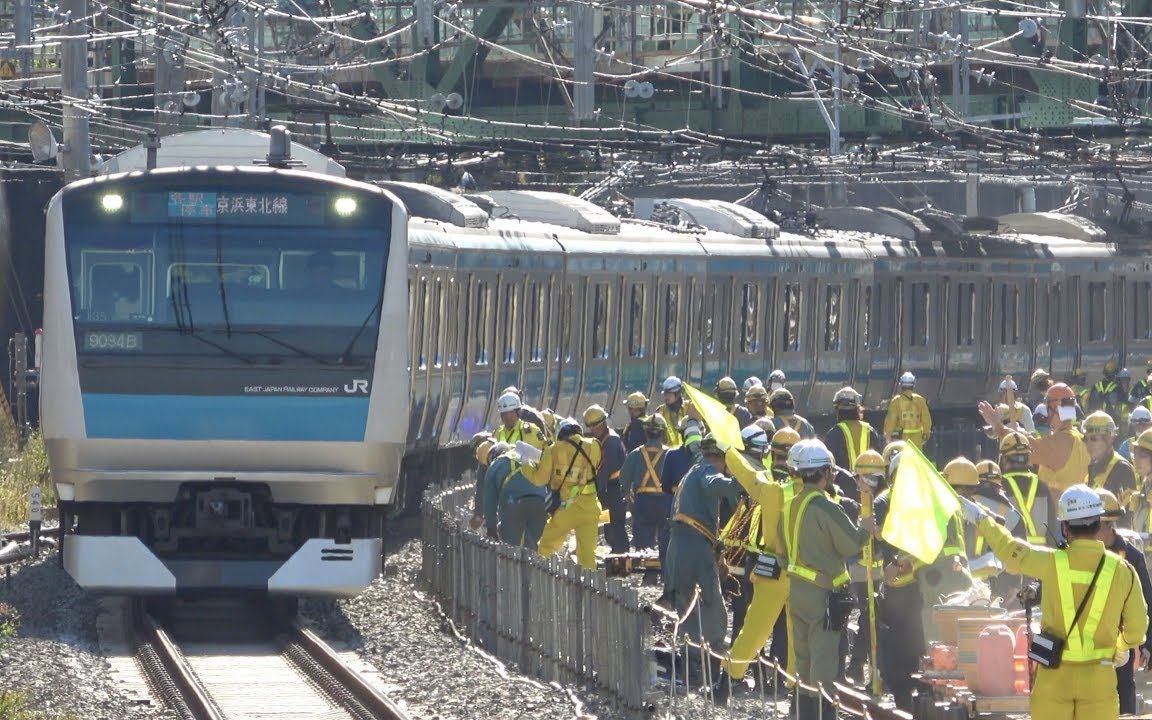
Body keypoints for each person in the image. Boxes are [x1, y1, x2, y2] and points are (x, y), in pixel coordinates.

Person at [959, 484, 1149, 720]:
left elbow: (1009, 550)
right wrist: (1120, 647)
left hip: (1054, 676)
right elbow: (1137, 629)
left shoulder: (1050, 562)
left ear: (1064, 527)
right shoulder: (1123, 570)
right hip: (1099, 679)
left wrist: (981, 519)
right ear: (1098, 522)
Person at [779, 439, 874, 719]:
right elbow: (851, 544)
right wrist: (865, 528)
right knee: (823, 662)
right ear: (823, 472)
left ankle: (803, 713)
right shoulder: (826, 507)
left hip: (797, 592)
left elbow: (782, 551)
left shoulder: (789, 506)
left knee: (804, 658)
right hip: (823, 595)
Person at [714, 428, 799, 703]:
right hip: (804, 577)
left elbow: (746, 476)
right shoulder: (819, 497)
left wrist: (728, 450)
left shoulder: (772, 490)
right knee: (798, 634)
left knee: (752, 630)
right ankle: (796, 690)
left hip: (771, 571)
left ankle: (726, 684)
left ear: (771, 454)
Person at [663, 435, 745, 687]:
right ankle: (711, 668)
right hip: (694, 547)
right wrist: (740, 482)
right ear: (723, 458)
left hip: (678, 546)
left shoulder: (692, 471)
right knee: (711, 606)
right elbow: (715, 485)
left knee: (686, 605)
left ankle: (690, 667)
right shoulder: (708, 470)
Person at [1096, 488, 1152, 715]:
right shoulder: (1079, 553)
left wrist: (1147, 645)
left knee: (1123, 695)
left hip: (1119, 646)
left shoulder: (1132, 558)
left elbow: (1147, 602)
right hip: (1085, 645)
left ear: (1107, 525)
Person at [980, 383, 1090, 496]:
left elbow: (1026, 448)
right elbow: (1039, 444)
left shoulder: (1062, 441)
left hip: (1058, 510)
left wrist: (1000, 428)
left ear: (1054, 408)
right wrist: (1019, 431)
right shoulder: (1077, 437)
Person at [523, 418, 602, 570]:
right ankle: (588, 588)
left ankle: (542, 576)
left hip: (566, 508)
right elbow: (596, 468)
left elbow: (540, 479)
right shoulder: (595, 445)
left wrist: (526, 466)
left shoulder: (553, 449)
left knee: (546, 547)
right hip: (591, 508)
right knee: (587, 555)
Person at [585, 404, 629, 575]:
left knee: (616, 525)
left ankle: (622, 559)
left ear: (602, 424)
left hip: (614, 489)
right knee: (610, 526)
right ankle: (617, 556)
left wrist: (596, 488)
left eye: (594, 427)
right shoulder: (605, 440)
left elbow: (606, 469)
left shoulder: (610, 442)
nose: (593, 431)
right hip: (609, 489)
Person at [482, 442, 548, 550]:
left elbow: (490, 501)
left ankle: (519, 565)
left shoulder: (495, 464)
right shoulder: (527, 457)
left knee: (512, 546)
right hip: (541, 503)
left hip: (515, 504)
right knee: (533, 544)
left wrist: (491, 528)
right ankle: (533, 563)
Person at [621, 414, 669, 551]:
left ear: (645, 432)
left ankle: (648, 570)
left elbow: (623, 481)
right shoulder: (670, 454)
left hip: (643, 503)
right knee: (665, 542)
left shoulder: (635, 454)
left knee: (643, 545)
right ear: (663, 432)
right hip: (665, 502)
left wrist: (629, 500)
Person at [999, 430, 1053, 545]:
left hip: (1012, 553)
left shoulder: (1000, 486)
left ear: (1003, 459)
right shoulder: (1042, 486)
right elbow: (1053, 528)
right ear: (1028, 457)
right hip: (1042, 555)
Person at [825, 386, 882, 472]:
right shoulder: (870, 431)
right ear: (857, 409)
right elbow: (878, 459)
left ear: (837, 409)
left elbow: (828, 464)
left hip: (843, 483)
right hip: (868, 483)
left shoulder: (833, 434)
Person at [1083, 411, 1138, 498]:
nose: (1088, 444)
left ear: (1110, 438)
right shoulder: (1093, 467)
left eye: (1094, 439)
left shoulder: (1122, 469)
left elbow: (1128, 509)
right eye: (1085, 439)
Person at [883, 371, 932, 448]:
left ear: (901, 384)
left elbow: (891, 421)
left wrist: (888, 436)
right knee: (916, 459)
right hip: (917, 439)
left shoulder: (896, 401)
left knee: (902, 459)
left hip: (900, 440)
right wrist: (926, 434)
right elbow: (926, 420)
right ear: (913, 384)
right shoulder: (920, 400)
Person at [656, 376, 691, 448]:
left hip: (687, 451)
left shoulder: (689, 407)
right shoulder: (660, 411)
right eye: (665, 394)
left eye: (669, 394)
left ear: (678, 394)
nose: (666, 397)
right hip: (668, 455)